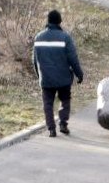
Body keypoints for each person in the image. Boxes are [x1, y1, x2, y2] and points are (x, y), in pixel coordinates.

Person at [32, 9, 84, 137]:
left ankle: (51, 129)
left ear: (48, 21)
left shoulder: (38, 37)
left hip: (46, 78)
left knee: (47, 104)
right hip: (63, 78)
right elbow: (73, 58)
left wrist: (40, 76)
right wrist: (79, 74)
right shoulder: (65, 37)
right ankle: (63, 123)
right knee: (65, 100)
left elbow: (34, 60)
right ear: (60, 21)